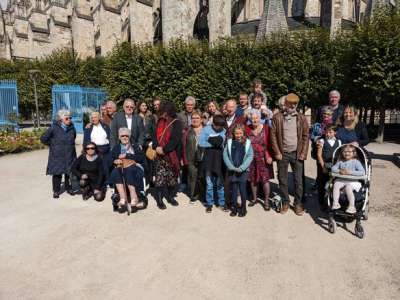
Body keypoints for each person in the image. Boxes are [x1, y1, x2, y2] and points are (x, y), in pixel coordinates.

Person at [271, 93, 309, 216]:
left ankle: (298, 204)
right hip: (283, 154)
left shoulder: (302, 118)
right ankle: (286, 201)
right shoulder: (277, 117)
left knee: (298, 181)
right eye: (290, 103)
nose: (292, 105)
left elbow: (305, 136)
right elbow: (273, 136)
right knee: (282, 179)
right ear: (285, 104)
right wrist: (277, 152)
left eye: (295, 103)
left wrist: (303, 153)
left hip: (297, 154)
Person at [152, 101, 183, 209]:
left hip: (171, 155)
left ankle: (170, 197)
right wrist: (156, 147)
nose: (163, 113)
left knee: (172, 179)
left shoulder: (177, 123)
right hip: (159, 156)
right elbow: (154, 136)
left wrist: (164, 150)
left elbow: (175, 140)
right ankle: (159, 200)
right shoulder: (159, 121)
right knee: (159, 179)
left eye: (165, 110)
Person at [40, 109, 77, 198]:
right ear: (61, 120)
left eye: (70, 118)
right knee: (57, 173)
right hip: (57, 155)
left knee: (69, 173)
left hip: (69, 153)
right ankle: (56, 191)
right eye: (67, 118)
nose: (69, 120)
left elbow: (74, 137)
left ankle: (69, 188)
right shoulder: (54, 127)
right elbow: (43, 139)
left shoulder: (72, 128)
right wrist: (53, 145)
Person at [110, 127, 146, 213]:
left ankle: (134, 197)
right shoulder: (116, 147)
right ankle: (123, 198)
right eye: (122, 136)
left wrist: (128, 156)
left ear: (129, 137)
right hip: (121, 168)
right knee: (116, 171)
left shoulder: (135, 146)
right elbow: (110, 159)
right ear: (119, 137)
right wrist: (115, 160)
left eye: (127, 136)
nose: (125, 138)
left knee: (129, 170)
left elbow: (141, 158)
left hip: (135, 167)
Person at [246, 110, 274, 210]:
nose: (254, 120)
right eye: (252, 118)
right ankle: (254, 199)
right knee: (253, 179)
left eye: (256, 118)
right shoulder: (247, 129)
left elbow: (271, 143)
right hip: (251, 158)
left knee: (265, 180)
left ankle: (266, 200)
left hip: (264, 158)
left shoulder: (266, 128)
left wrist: (270, 156)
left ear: (260, 118)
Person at [199, 114, 228, 213]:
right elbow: (201, 143)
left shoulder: (224, 131)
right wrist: (213, 143)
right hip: (208, 159)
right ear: (213, 123)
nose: (219, 128)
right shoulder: (206, 129)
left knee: (220, 183)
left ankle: (222, 203)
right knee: (209, 183)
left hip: (220, 159)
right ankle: (209, 203)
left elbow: (224, 145)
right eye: (217, 126)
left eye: (221, 126)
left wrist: (219, 143)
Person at [223, 124, 254, 217]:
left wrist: (242, 167)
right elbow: (225, 155)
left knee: (242, 190)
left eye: (240, 133)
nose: (238, 135)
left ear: (243, 133)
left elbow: (250, 156)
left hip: (242, 171)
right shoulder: (229, 142)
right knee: (234, 190)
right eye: (236, 133)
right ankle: (235, 208)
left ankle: (244, 208)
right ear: (233, 133)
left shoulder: (247, 143)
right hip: (232, 170)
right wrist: (230, 166)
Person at [331, 144, 365, 214]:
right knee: (336, 185)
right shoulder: (340, 161)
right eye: (345, 151)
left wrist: (349, 172)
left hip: (353, 181)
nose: (346, 153)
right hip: (342, 180)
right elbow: (333, 169)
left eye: (349, 152)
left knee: (348, 187)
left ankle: (352, 206)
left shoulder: (356, 162)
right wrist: (339, 171)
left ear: (354, 153)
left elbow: (362, 172)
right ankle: (335, 203)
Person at [316, 124, 341, 208]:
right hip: (324, 165)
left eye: (330, 132)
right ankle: (321, 201)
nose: (328, 134)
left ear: (335, 133)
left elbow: (340, 155)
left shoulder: (339, 142)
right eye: (326, 132)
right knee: (322, 183)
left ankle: (332, 200)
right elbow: (319, 155)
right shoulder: (322, 141)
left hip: (334, 166)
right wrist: (323, 167)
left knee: (333, 183)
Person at [182, 110, 204, 203]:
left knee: (203, 177)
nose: (195, 120)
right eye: (193, 118)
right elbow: (183, 145)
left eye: (197, 118)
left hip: (204, 157)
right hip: (190, 157)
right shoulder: (187, 130)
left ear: (201, 119)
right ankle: (193, 195)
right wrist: (183, 158)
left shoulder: (207, 129)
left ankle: (203, 195)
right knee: (192, 176)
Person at [83, 111, 112, 181]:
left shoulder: (105, 126)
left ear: (99, 118)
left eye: (95, 117)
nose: (93, 119)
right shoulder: (88, 128)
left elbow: (110, 138)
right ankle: (99, 182)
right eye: (92, 118)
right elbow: (85, 141)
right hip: (94, 150)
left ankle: (107, 181)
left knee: (106, 165)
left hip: (106, 149)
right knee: (98, 165)